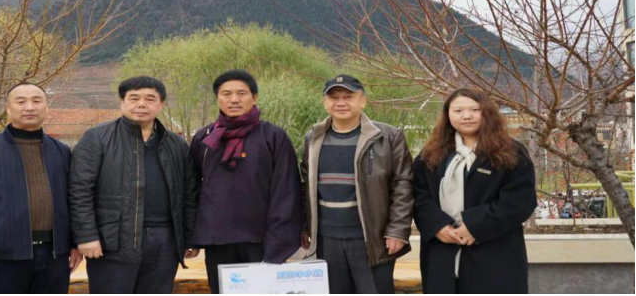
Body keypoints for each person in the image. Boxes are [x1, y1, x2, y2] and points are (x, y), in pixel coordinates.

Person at [70, 76, 199, 294]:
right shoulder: (97, 138)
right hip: (112, 240)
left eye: (150, 99)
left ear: (161, 104)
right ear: (122, 102)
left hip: (164, 241)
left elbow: (189, 194)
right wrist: (86, 236)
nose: (141, 104)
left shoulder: (176, 144)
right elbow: (79, 190)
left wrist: (190, 238)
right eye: (134, 98)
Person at [0, 83, 81, 294]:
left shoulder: (62, 151)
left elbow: (74, 199)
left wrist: (75, 243)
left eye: (36, 101)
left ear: (46, 107)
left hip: (54, 255)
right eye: (21, 101)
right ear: (8, 109)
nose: (29, 107)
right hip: (2, 255)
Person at [413, 88, 537, 293]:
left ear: (487, 112)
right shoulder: (431, 153)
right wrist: (437, 226)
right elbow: (418, 195)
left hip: (495, 251)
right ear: (447, 115)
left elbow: (519, 202)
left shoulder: (510, 152)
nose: (466, 116)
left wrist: (475, 226)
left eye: (474, 109)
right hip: (442, 247)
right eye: (458, 110)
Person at [190, 69, 303, 294]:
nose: (234, 99)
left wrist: (278, 244)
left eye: (241, 93)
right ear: (217, 98)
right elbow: (192, 189)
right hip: (217, 239)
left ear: (255, 97)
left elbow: (286, 191)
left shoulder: (273, 136)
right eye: (226, 94)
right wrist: (191, 238)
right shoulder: (204, 138)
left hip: (261, 240)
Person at [299, 74, 414, 294]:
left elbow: (403, 185)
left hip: (372, 238)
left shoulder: (387, 136)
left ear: (363, 101)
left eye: (348, 97)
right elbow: (305, 185)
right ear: (325, 103)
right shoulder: (313, 137)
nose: (340, 103)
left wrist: (398, 230)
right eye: (334, 97)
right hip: (326, 238)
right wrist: (305, 226)